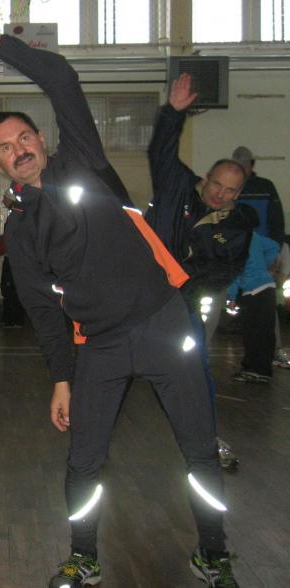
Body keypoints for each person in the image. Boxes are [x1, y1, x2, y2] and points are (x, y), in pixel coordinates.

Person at [0, 17, 238, 587]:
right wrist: (62, 379)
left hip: (164, 326)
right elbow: (42, 312)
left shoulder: (82, 158)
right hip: (100, 347)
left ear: (41, 140)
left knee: (199, 452)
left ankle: (214, 554)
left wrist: (4, 47)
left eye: (23, 138)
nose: (18, 150)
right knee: (83, 460)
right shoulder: (20, 232)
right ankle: (83, 558)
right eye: (5, 148)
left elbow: (62, 80)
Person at [147, 72, 255, 471]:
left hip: (182, 307)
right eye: (217, 184)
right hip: (139, 299)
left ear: (239, 193)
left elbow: (223, 271)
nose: (220, 194)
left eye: (230, 190)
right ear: (206, 177)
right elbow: (160, 151)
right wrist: (173, 114)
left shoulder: (237, 226)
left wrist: (181, 283)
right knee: (113, 370)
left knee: (194, 371)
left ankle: (207, 440)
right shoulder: (177, 188)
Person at [231, 145, 290, 370]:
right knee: (245, 309)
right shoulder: (232, 187)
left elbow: (276, 223)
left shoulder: (265, 187)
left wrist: (272, 257)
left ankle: (273, 351)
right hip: (236, 253)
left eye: (244, 166)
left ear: (251, 166)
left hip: (260, 255)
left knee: (265, 308)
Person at [228, 232, 279, 383]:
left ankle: (252, 369)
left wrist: (232, 297)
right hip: (267, 286)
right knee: (265, 331)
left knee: (252, 333)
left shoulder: (234, 240)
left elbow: (235, 272)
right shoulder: (252, 235)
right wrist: (264, 266)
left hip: (252, 290)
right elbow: (274, 246)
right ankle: (263, 370)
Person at [0, 193, 26, 328]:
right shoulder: (17, 215)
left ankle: (14, 319)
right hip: (14, 257)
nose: (3, 201)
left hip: (14, 258)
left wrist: (3, 243)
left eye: (5, 198)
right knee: (9, 288)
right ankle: (9, 317)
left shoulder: (17, 216)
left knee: (11, 288)